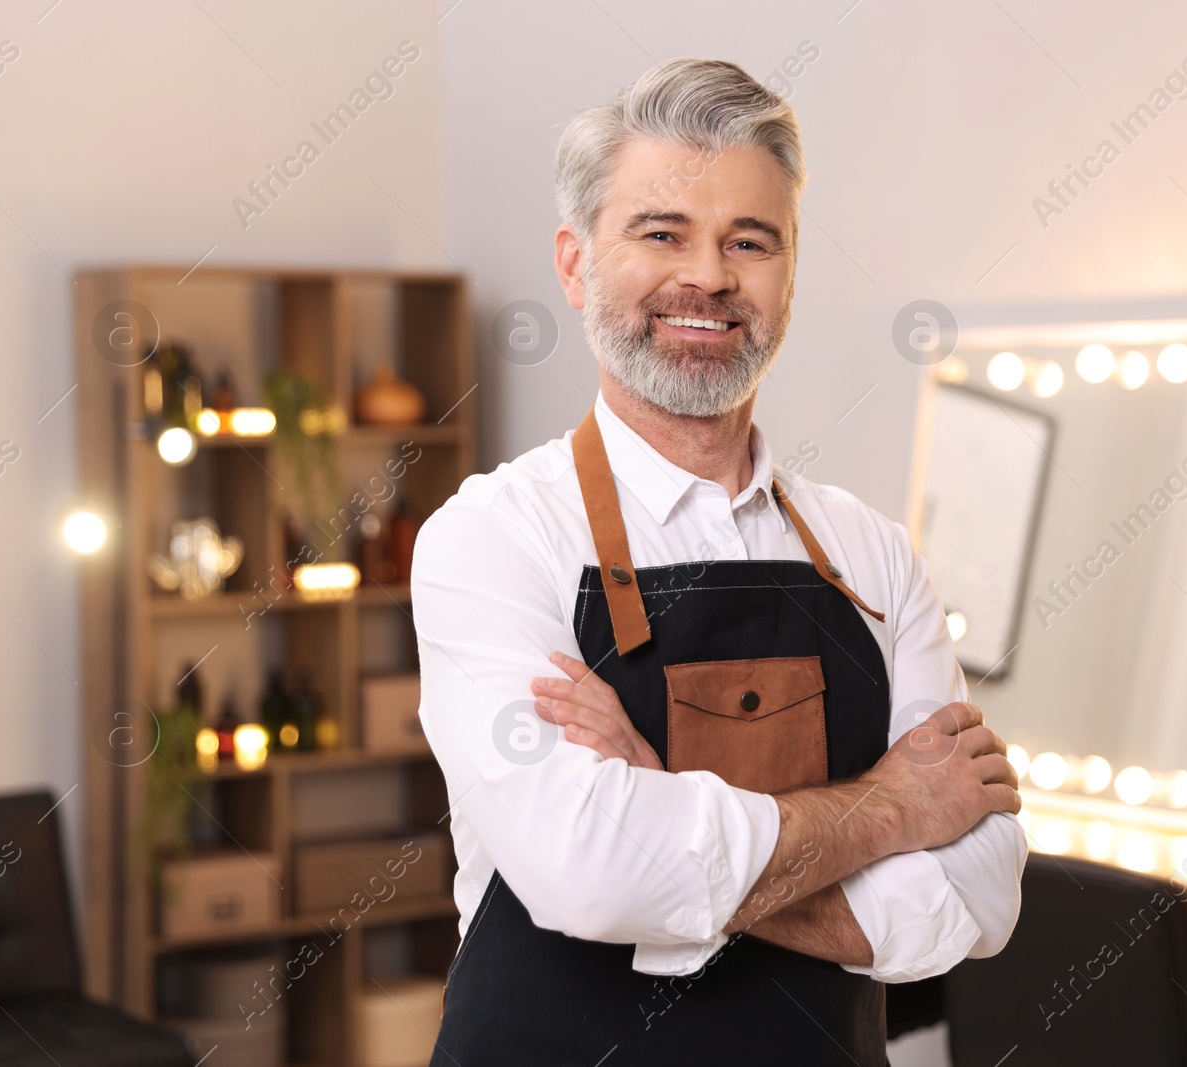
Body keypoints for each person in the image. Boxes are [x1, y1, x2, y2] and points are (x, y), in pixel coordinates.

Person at [413, 56, 1025, 1066]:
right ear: (574, 263)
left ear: (788, 274)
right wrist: (891, 807)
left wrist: (665, 806)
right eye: (662, 234)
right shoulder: (491, 537)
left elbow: (975, 893)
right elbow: (590, 873)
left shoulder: (871, 552)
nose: (708, 276)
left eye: (750, 241)